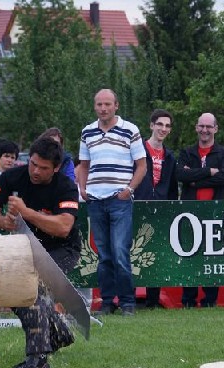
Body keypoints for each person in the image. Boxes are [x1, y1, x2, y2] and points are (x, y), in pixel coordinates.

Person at [0, 137, 79, 368]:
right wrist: (3, 221)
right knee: (11, 289)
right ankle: (59, 332)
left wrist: (27, 213)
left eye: (43, 168)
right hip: (23, 247)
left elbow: (64, 227)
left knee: (34, 287)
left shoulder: (66, 186)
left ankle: (38, 359)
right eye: (33, 164)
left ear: (55, 168)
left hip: (61, 249)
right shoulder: (12, 177)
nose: (35, 171)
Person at [77, 88, 147, 316]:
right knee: (104, 254)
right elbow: (83, 166)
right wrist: (83, 189)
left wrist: (129, 190)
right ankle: (107, 302)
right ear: (94, 106)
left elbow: (142, 166)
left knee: (120, 252)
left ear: (116, 105)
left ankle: (127, 303)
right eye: (99, 104)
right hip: (96, 200)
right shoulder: (87, 132)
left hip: (120, 200)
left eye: (107, 104)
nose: (103, 108)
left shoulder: (130, 130)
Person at [176, 112, 224, 308]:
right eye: (201, 126)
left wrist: (195, 180)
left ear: (215, 129)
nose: (205, 130)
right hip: (189, 212)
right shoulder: (187, 152)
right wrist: (209, 171)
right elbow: (180, 175)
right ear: (196, 127)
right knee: (188, 255)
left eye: (209, 126)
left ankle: (210, 300)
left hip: (215, 212)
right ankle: (188, 300)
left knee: (213, 255)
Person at [135, 109, 178, 308]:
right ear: (152, 125)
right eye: (160, 124)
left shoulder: (169, 156)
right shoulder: (138, 151)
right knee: (133, 252)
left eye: (167, 126)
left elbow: (172, 186)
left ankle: (152, 301)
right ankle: (128, 300)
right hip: (137, 206)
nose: (163, 129)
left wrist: (170, 208)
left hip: (160, 209)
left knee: (156, 254)